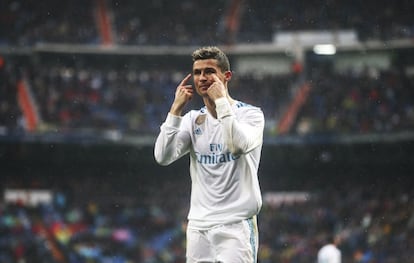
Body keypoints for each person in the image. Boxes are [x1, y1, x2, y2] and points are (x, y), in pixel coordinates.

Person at [154, 46, 265, 263]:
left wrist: (221, 102)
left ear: (226, 76)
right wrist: (175, 111)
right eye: (197, 73)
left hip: (236, 224)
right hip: (198, 227)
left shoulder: (251, 115)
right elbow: (162, 156)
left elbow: (236, 145)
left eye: (209, 71)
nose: (202, 78)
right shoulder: (192, 119)